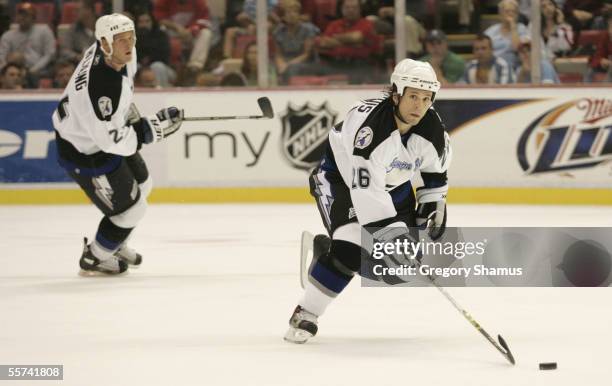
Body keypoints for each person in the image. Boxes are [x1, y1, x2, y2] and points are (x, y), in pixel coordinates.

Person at [284, 59, 451, 343]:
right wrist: (393, 234)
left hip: (392, 189)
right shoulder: (372, 132)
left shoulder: (433, 130)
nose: (419, 106)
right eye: (412, 96)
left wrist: (432, 208)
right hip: (341, 183)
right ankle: (306, 313)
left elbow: (435, 177)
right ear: (396, 93)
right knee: (352, 248)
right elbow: (366, 195)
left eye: (426, 98)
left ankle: (325, 253)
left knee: (398, 268)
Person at [51, 13, 184, 276]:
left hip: (96, 136)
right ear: (104, 42)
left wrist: (130, 119)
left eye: (131, 37)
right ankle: (95, 257)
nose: (128, 44)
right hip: (85, 152)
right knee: (132, 212)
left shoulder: (112, 54)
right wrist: (148, 131)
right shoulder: (101, 87)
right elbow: (108, 140)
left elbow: (115, 113)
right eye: (120, 39)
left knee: (144, 185)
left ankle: (115, 242)